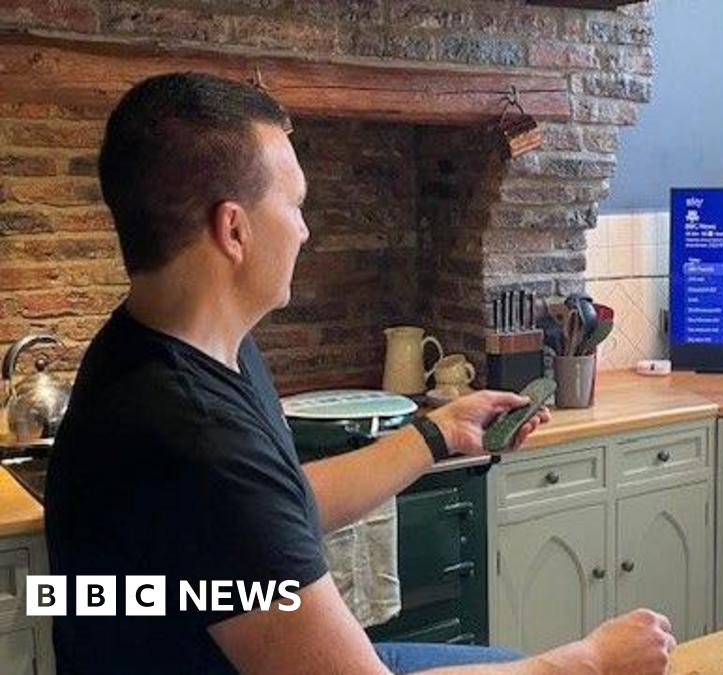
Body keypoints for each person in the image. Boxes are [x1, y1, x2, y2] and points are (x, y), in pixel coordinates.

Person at [45, 72, 675, 675]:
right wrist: (588, 663)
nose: (305, 228)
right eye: (294, 205)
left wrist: (439, 433)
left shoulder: (181, 347)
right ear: (232, 229)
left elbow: (278, 505)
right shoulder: (191, 436)